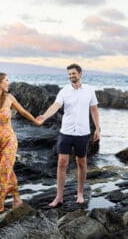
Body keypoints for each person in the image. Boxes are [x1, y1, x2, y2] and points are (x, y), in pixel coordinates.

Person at [0, 72, 40, 221]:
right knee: (7, 171)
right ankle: (17, 199)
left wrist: (36, 122)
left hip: (9, 140)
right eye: (6, 80)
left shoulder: (9, 98)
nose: (8, 83)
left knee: (3, 171)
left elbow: (23, 112)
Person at [37, 63, 100, 207]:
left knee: (81, 163)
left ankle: (80, 193)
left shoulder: (89, 90)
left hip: (83, 133)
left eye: (73, 73)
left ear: (80, 74)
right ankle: (59, 197)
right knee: (61, 163)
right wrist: (44, 116)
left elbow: (94, 110)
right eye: (69, 74)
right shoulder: (64, 91)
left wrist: (98, 128)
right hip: (66, 132)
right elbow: (56, 106)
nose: (71, 76)